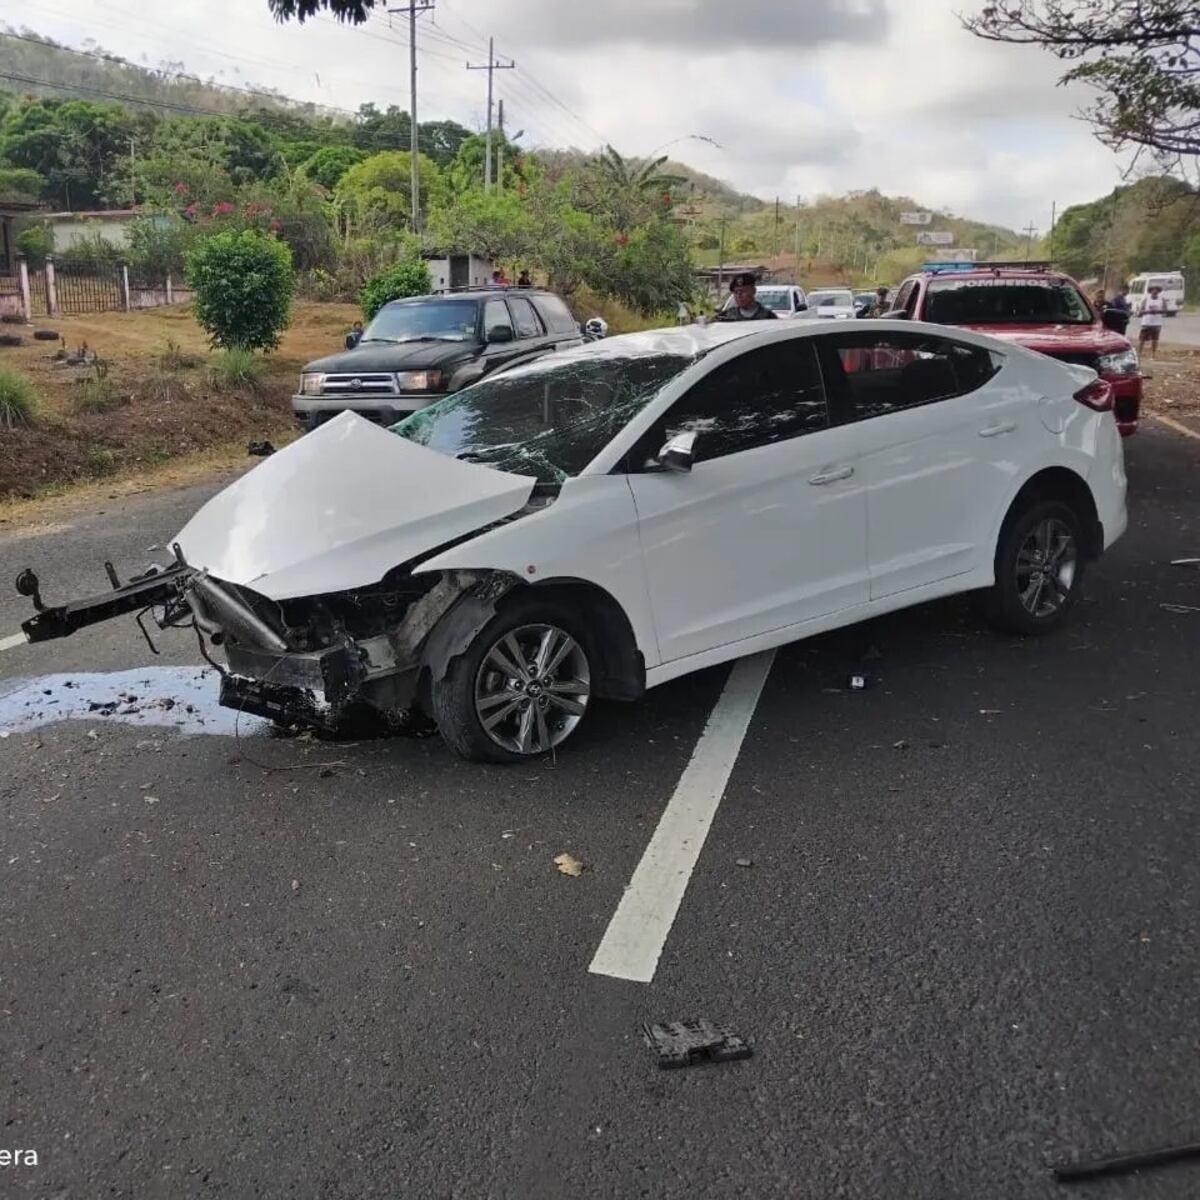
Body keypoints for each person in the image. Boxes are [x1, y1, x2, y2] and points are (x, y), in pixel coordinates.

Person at [1138, 283, 1166, 358]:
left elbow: (1165, 310)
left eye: (1156, 290)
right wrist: (1147, 312)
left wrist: (1157, 311)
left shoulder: (1162, 300)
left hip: (1157, 323)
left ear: (1158, 292)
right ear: (1150, 291)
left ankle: (1153, 354)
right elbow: (1140, 311)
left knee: (1155, 340)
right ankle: (1139, 354)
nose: (1155, 291)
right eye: (1153, 290)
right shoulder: (1146, 300)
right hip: (1146, 322)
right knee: (1142, 339)